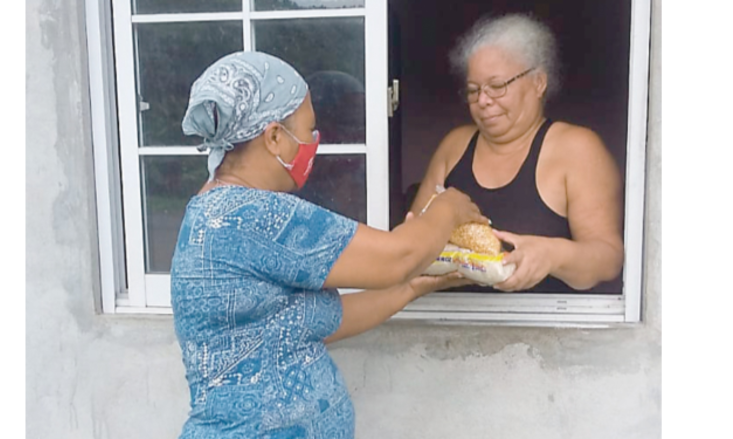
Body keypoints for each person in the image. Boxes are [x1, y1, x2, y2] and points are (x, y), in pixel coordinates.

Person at [171, 51, 486, 438]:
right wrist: (447, 207)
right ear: (273, 136)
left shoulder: (216, 210)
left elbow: (316, 322)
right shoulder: (248, 214)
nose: (313, 143)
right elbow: (397, 256)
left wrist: (415, 286)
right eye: (308, 130)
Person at [410, 14, 624, 293]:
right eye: (473, 91)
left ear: (538, 83)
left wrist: (553, 255)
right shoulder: (455, 146)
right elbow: (414, 242)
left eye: (497, 86)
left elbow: (608, 259)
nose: (483, 101)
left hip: (550, 328)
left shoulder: (577, 148)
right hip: (451, 320)